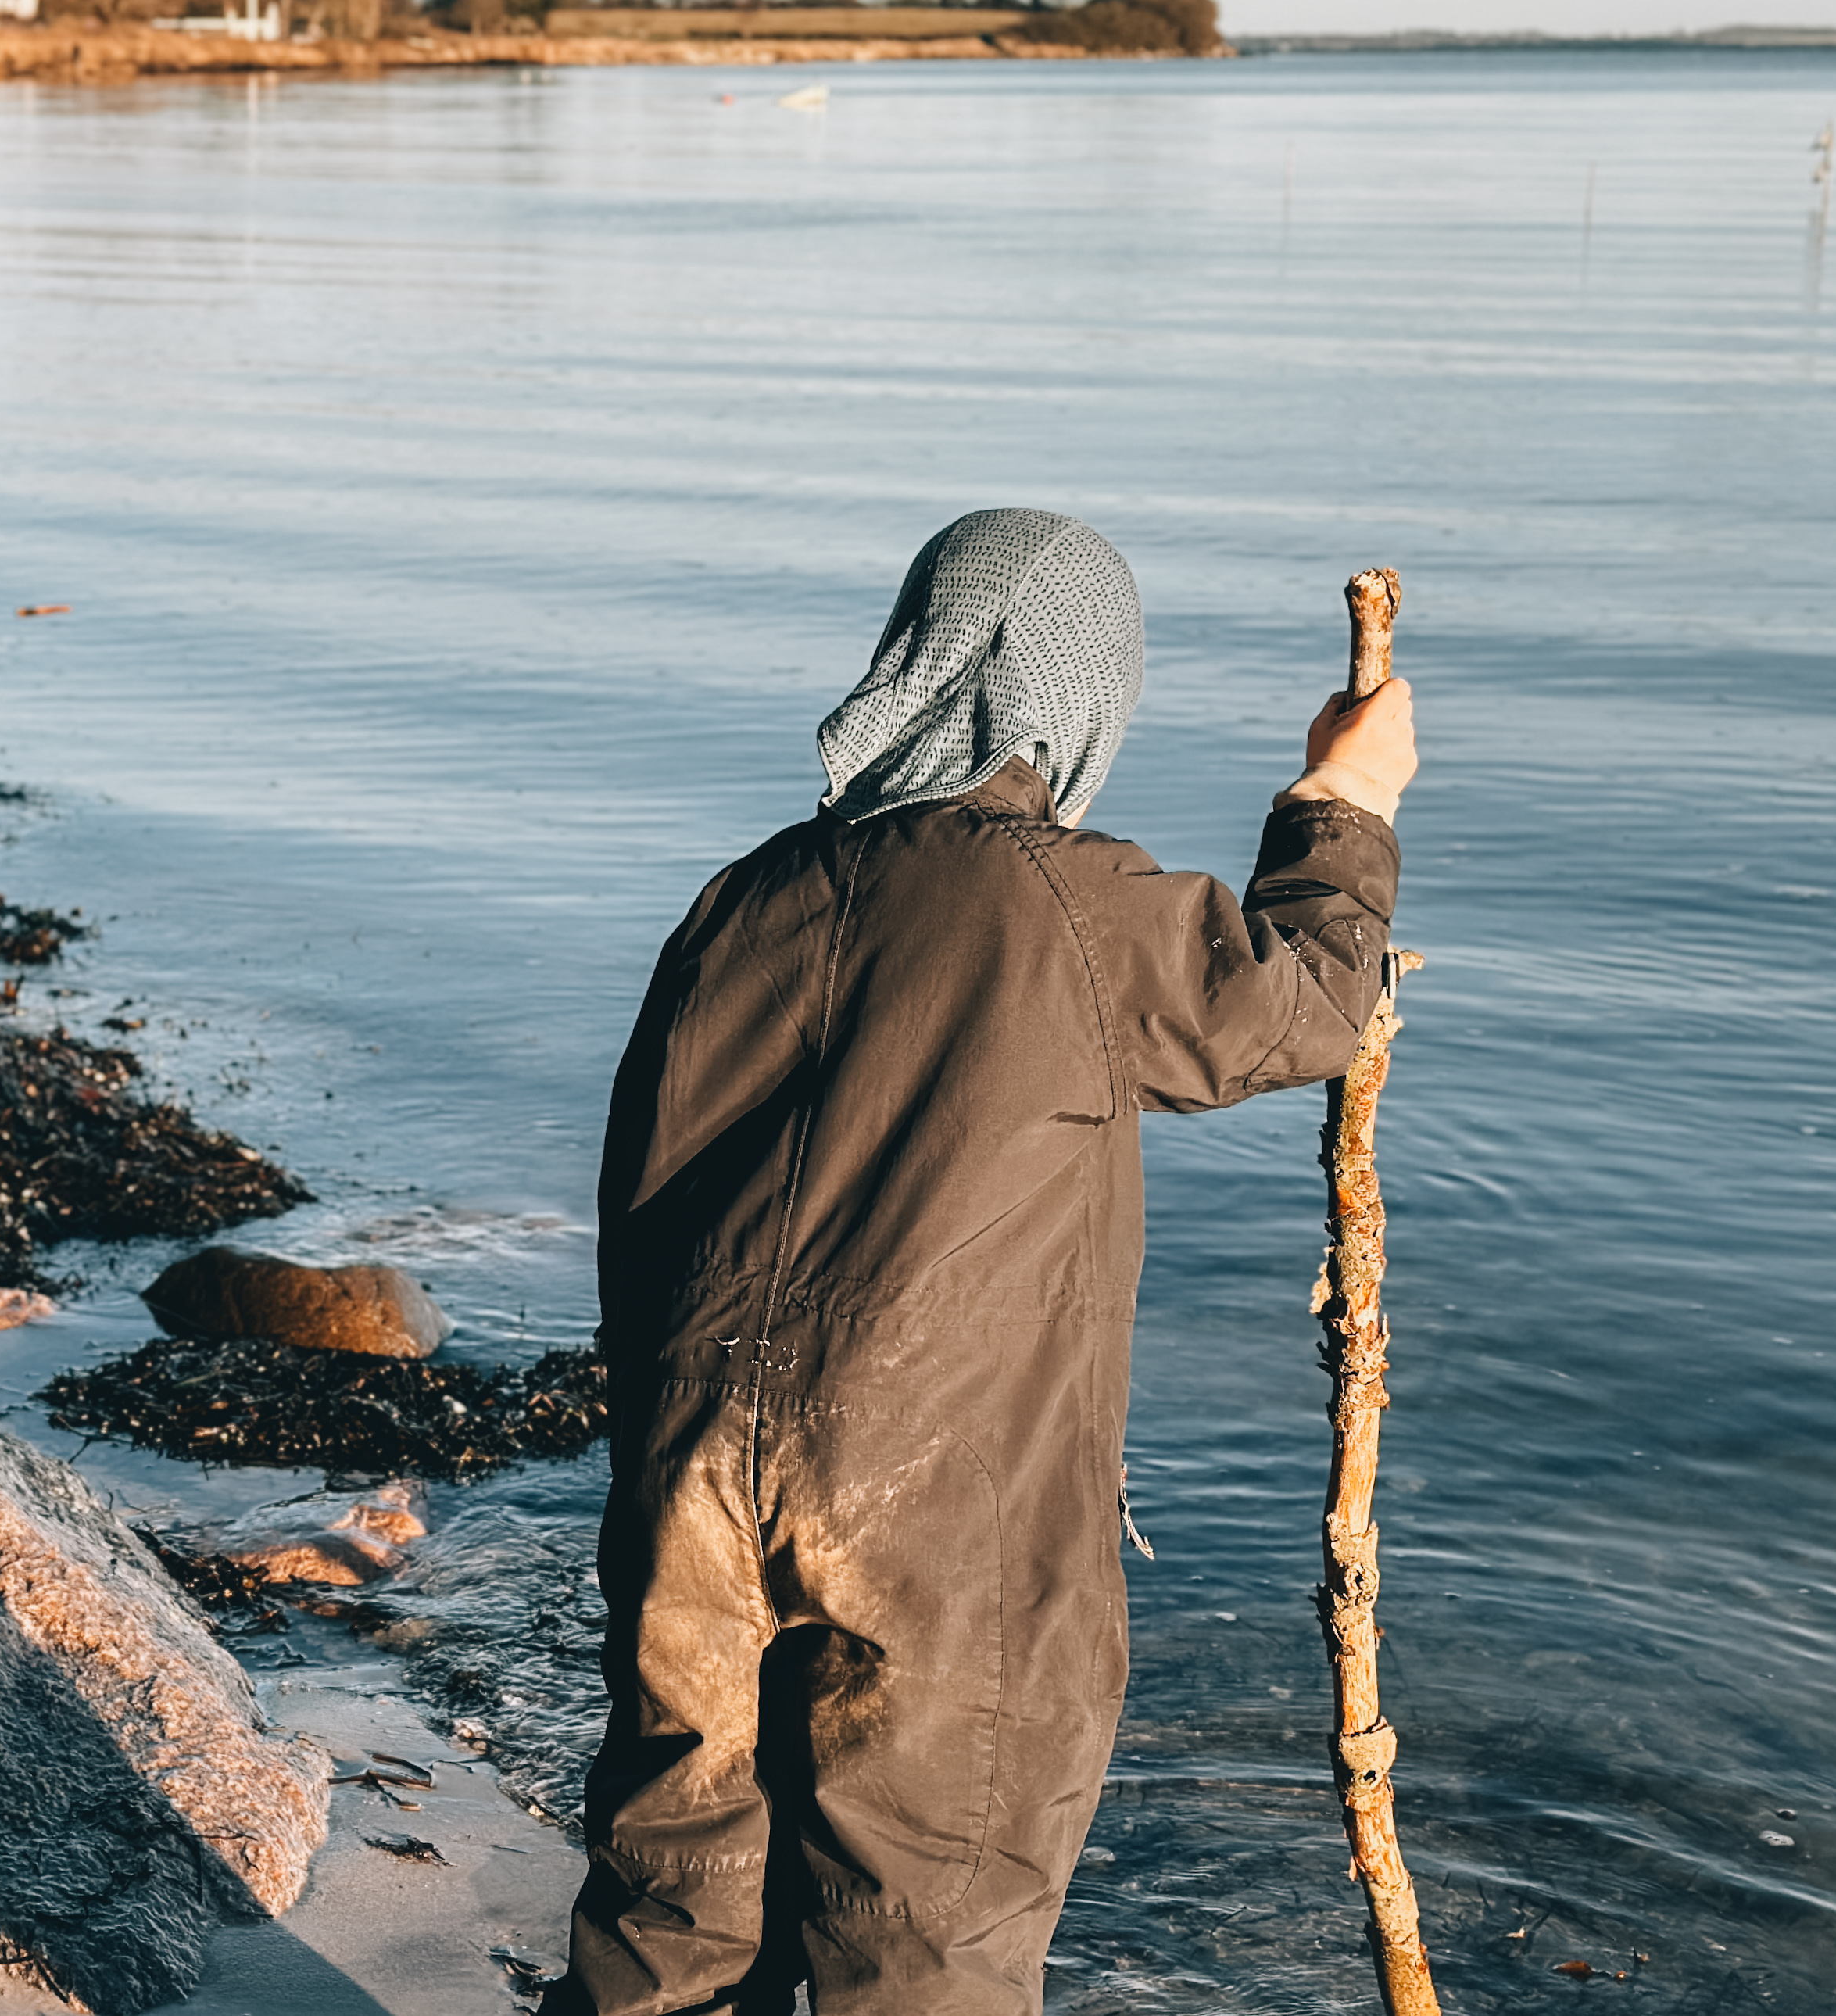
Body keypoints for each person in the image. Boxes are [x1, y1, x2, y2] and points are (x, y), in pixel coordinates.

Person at [547, 510, 1417, 2016]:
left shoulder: (739, 898)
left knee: (673, 1907)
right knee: (926, 1922)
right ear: (1074, 702)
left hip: (691, 1474)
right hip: (934, 1510)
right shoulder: (1074, 899)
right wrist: (1344, 798)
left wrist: (664, 1443)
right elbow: (1305, 1006)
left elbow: (639, 1202)